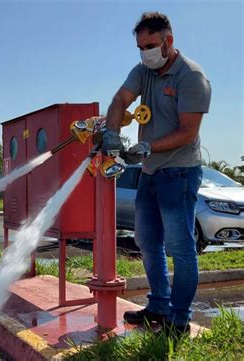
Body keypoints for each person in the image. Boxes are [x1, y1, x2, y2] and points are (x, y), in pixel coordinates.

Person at [102, 12, 211, 335]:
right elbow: (120, 99)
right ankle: (159, 306)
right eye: (140, 47)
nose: (145, 52)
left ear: (169, 41)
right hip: (149, 174)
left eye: (150, 45)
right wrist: (111, 132)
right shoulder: (143, 71)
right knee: (147, 242)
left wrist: (149, 146)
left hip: (179, 173)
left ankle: (179, 318)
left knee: (180, 247)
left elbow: (188, 132)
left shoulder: (191, 77)